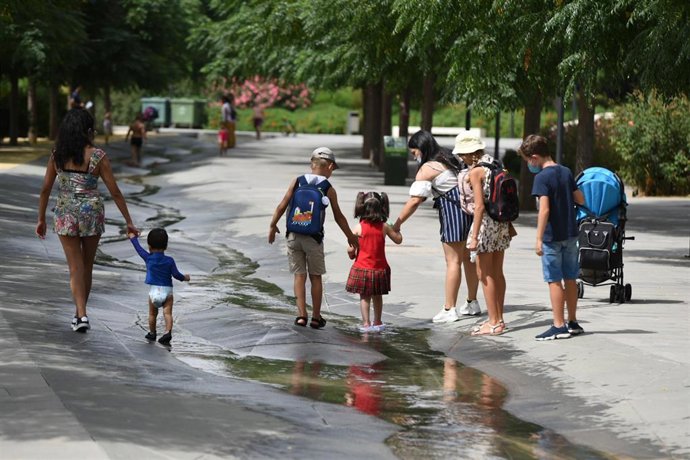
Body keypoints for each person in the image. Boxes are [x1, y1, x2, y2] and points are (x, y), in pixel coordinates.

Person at [36, 108, 139, 332]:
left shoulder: (57, 155)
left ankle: (81, 314)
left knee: (75, 267)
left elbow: (45, 189)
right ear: (88, 130)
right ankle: (80, 314)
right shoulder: (98, 156)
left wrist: (41, 218)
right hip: (92, 212)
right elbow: (116, 192)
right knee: (87, 265)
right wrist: (129, 221)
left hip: (65, 212)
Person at [392, 130, 481, 324]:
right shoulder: (450, 156)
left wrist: (396, 224)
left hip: (453, 214)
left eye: (414, 152)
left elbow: (415, 200)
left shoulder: (428, 167)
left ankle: (449, 308)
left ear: (422, 149)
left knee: (453, 262)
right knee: (468, 259)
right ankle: (472, 302)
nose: (413, 156)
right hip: (471, 212)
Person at [268, 147, 359, 329]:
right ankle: (316, 317)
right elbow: (339, 216)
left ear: (312, 164)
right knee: (315, 277)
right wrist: (350, 236)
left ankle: (301, 315)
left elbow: (282, 205)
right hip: (314, 239)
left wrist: (272, 225)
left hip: (293, 235)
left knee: (299, 276)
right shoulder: (327, 188)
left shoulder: (298, 181)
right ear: (330, 166)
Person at [517, 134, 585, 340]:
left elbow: (544, 210)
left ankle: (558, 325)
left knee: (554, 280)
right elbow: (580, 198)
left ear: (535, 157)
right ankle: (573, 321)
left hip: (552, 236)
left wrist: (538, 239)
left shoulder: (541, 178)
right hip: (571, 234)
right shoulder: (565, 171)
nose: (529, 164)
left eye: (529, 160)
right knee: (571, 278)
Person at [460, 134, 511, 336]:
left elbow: (479, 206)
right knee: (497, 272)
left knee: (484, 274)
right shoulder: (498, 166)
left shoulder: (477, 172)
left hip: (486, 226)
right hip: (501, 224)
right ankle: (499, 319)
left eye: (462, 155)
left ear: (470, 154)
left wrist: (474, 237)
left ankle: (492, 322)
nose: (461, 158)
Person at [346, 191, 403, 332]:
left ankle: (366, 323)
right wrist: (398, 228)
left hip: (362, 267)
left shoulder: (358, 227)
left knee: (364, 297)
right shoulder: (384, 226)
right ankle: (378, 322)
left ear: (362, 208)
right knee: (378, 296)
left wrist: (352, 254)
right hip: (379, 268)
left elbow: (350, 249)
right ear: (382, 207)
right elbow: (398, 240)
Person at [128, 228, 190, 345]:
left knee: (152, 314)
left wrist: (132, 237)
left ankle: (152, 333)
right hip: (167, 292)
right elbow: (176, 275)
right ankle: (167, 332)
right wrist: (185, 278)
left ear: (149, 246)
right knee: (167, 313)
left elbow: (138, 249)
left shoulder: (148, 258)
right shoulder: (169, 260)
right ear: (166, 246)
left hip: (154, 291)